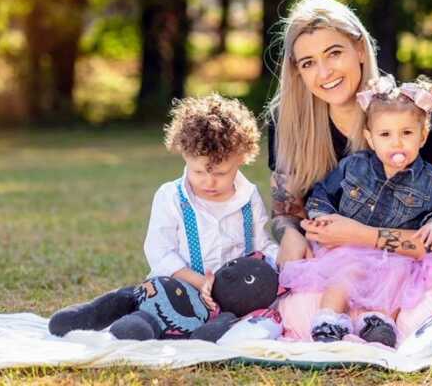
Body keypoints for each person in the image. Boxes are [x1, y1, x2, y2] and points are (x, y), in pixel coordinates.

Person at [264, 0, 432, 341]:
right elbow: (287, 213)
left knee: (424, 315)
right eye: (308, 63)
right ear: (297, 72)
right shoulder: (287, 125)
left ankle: (377, 322)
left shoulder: (415, 124)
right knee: (303, 311)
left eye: (334, 53)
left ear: (360, 49)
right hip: (334, 269)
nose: (325, 72)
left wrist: (364, 237)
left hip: (409, 272)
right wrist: (289, 233)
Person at [49, 94, 279, 338]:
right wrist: (200, 283)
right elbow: (160, 251)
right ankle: (94, 315)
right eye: (198, 171)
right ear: (184, 155)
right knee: (149, 297)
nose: (209, 181)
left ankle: (193, 331)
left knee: (244, 321)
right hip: (181, 284)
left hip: (231, 297)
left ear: (242, 158)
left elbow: (263, 245)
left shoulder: (248, 197)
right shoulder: (172, 197)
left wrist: (280, 268)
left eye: (221, 173)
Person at [278, 75, 432, 346]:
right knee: (346, 274)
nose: (396, 143)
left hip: (396, 254)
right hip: (350, 249)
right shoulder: (354, 167)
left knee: (397, 279)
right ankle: (328, 319)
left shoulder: (428, 178)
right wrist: (321, 218)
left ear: (422, 136)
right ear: (371, 138)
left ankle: (379, 321)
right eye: (385, 135)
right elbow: (322, 195)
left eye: (407, 133)